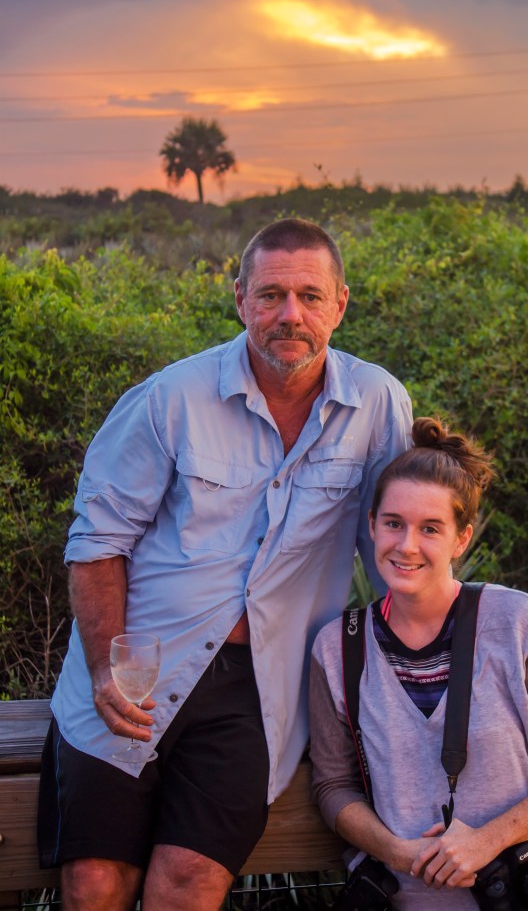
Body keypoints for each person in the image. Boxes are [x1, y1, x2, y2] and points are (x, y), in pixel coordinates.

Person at [37, 218, 413, 911]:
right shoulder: (170, 399)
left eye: (308, 295)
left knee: (190, 883)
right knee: (93, 884)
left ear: (340, 303)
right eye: (271, 296)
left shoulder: (379, 404)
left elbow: (399, 551)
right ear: (240, 298)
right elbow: (98, 543)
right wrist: (102, 668)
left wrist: (422, 672)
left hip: (261, 691)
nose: (289, 315)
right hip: (139, 666)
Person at [309, 416, 528, 910]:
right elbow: (333, 785)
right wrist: (399, 853)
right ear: (372, 526)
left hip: (510, 894)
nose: (406, 545)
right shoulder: (336, 646)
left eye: (430, 528)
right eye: (393, 524)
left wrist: (486, 841)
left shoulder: (518, 622)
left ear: (461, 538)